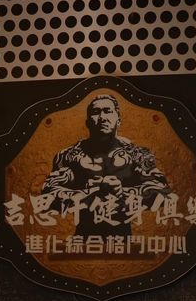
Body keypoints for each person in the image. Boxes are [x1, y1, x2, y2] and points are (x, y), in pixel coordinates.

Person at [41, 93, 169, 237]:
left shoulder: (137, 154)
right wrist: (87, 194)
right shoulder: (70, 156)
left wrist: (122, 192)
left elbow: (162, 191)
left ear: (118, 120)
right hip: (83, 240)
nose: (102, 117)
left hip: (123, 240)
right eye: (96, 112)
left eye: (107, 111)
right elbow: (48, 196)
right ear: (88, 122)